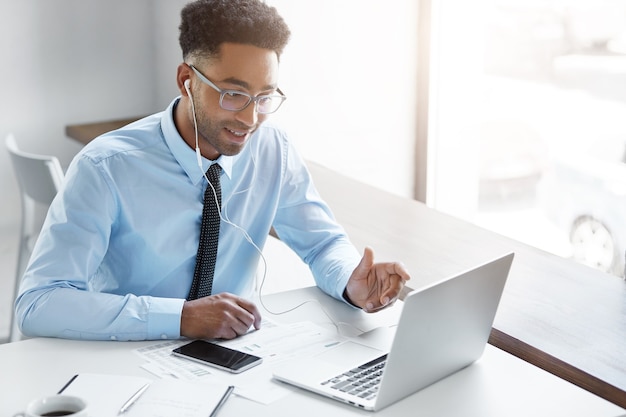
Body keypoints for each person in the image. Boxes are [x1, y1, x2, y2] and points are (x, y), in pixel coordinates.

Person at [15, 0, 410, 341]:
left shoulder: (274, 148)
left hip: (234, 350)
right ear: (187, 81)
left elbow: (322, 244)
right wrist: (182, 318)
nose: (251, 118)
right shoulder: (106, 167)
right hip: (126, 350)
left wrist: (348, 281)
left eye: (265, 96)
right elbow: (39, 303)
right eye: (234, 94)